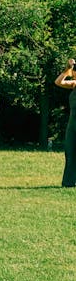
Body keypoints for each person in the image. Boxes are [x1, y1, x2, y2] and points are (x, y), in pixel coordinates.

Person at [55, 58, 76, 187]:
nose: (74, 73)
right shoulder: (74, 84)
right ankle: (68, 182)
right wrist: (67, 68)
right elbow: (58, 82)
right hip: (72, 124)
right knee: (70, 151)